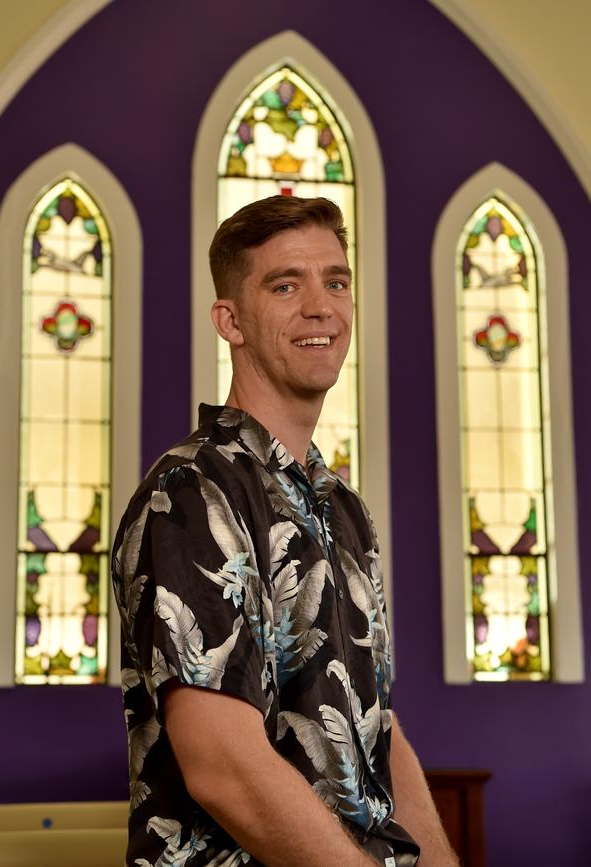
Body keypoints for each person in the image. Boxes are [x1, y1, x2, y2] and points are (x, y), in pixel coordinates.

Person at [112, 196, 459, 867]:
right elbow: (223, 768)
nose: (320, 307)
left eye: (335, 280)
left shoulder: (345, 510)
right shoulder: (190, 493)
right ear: (230, 320)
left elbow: (375, 730)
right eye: (284, 284)